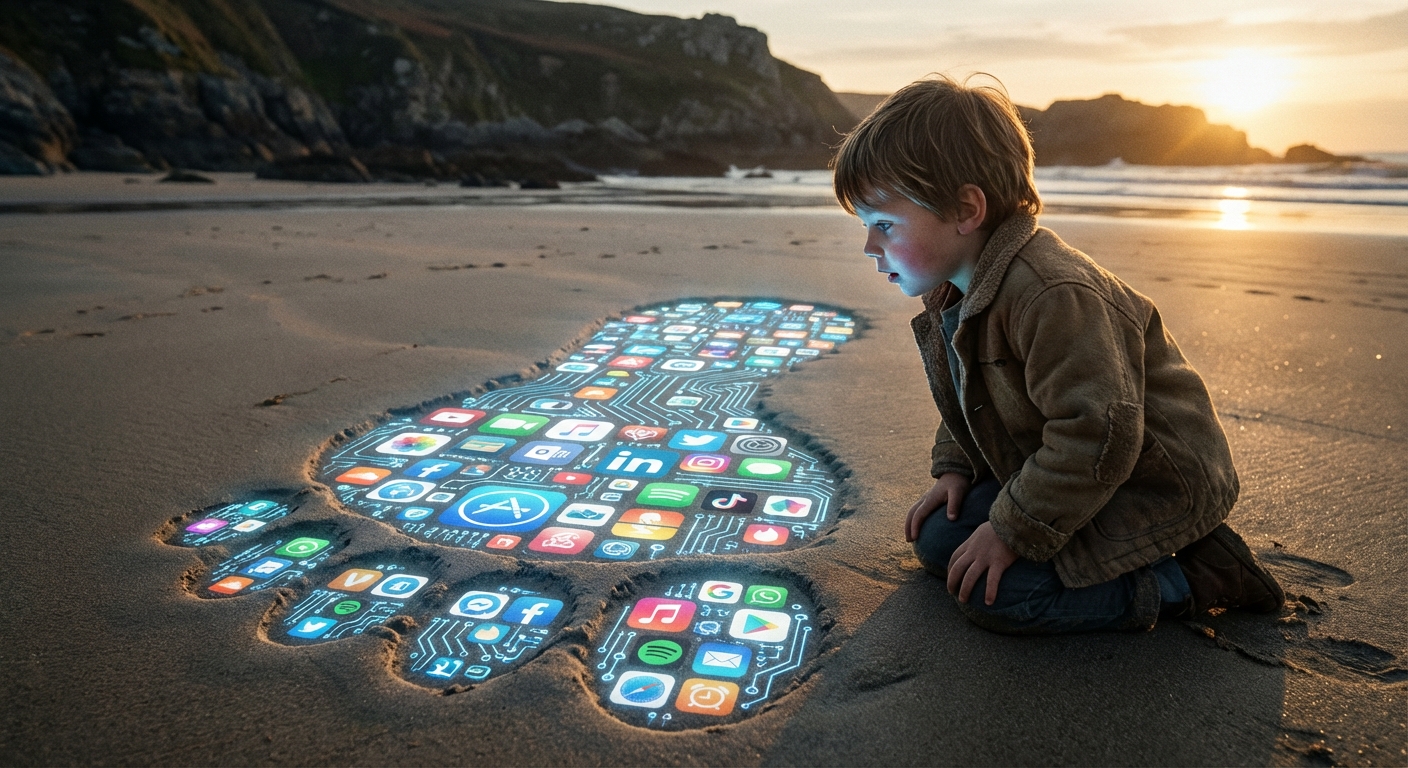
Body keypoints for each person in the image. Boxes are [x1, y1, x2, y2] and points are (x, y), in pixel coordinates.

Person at [831, 75, 1284, 633]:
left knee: (998, 597)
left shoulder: (1052, 295)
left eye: (884, 224)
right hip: (1067, 465)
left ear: (966, 210)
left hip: (1148, 482)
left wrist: (1009, 531)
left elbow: (1098, 437)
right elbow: (967, 396)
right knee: (940, 540)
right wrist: (956, 470)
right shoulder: (954, 288)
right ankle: (1048, 530)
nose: (870, 247)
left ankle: (1196, 576)